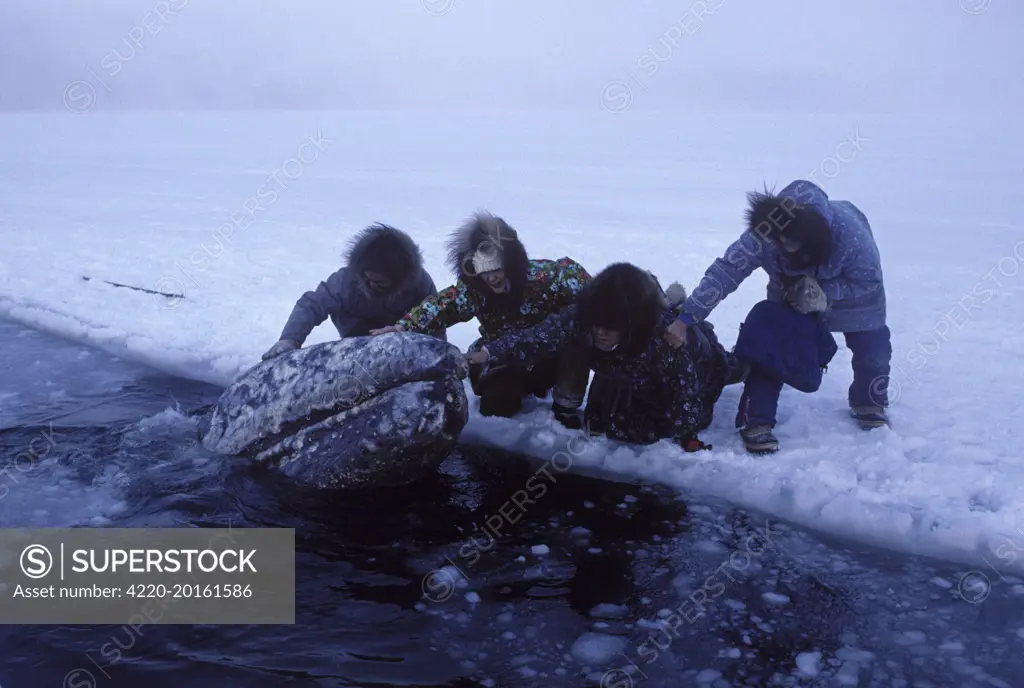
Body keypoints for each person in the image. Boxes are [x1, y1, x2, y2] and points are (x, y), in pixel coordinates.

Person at [664, 179, 890, 453]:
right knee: (770, 351)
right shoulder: (764, 234)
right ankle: (755, 421)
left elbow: (870, 281)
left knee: (872, 352)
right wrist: (687, 317)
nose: (783, 245)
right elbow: (725, 273)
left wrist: (825, 293)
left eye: (791, 242)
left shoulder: (850, 236)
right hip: (790, 295)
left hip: (857, 301)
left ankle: (869, 403)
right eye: (779, 240)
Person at [467, 262, 745, 448]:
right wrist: (490, 352)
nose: (599, 332)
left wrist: (686, 435)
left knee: (645, 429)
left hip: (700, 366)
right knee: (602, 418)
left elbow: (686, 391)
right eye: (596, 325)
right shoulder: (586, 317)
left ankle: (747, 360)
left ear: (627, 326)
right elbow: (537, 337)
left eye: (609, 327)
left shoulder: (661, 340)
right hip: (625, 371)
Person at [370, 211, 592, 426]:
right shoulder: (474, 291)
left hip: (546, 354)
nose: (492, 277)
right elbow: (442, 305)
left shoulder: (548, 278)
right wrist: (403, 327)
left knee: (577, 337)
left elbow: (593, 292)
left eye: (497, 268)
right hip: (498, 356)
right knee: (497, 403)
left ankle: (566, 407)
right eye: (484, 270)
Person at [261, 223, 442, 360]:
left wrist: (436, 355)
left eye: (379, 282)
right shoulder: (346, 280)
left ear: (398, 278)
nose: (371, 284)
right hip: (355, 336)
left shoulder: (419, 285)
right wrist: (290, 339)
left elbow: (435, 319)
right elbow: (312, 304)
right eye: (367, 278)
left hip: (401, 339)